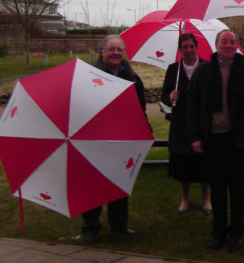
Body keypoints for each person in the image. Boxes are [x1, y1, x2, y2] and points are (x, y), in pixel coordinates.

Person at [187, 29, 244, 253]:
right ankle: (218, 232)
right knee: (218, 190)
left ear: (237, 45)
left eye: (233, 42)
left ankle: (236, 233)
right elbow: (192, 104)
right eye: (224, 42)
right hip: (212, 139)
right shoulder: (203, 70)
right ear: (217, 44)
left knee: (238, 190)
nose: (229, 45)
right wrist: (194, 136)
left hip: (238, 140)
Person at [82, 34, 148, 243]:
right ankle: (91, 226)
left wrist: (143, 130)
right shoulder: (90, 75)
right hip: (96, 138)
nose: (116, 53)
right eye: (112, 49)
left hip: (123, 138)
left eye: (120, 49)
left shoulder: (131, 76)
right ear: (102, 52)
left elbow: (140, 108)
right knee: (93, 185)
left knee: (119, 182)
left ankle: (119, 224)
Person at [160, 33, 211, 215]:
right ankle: (185, 199)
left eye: (191, 46)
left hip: (202, 123)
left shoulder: (206, 67)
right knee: (183, 164)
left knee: (204, 163)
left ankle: (206, 200)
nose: (188, 50)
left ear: (196, 48)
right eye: (185, 47)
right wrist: (170, 97)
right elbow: (164, 96)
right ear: (180, 50)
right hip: (181, 124)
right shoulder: (174, 70)